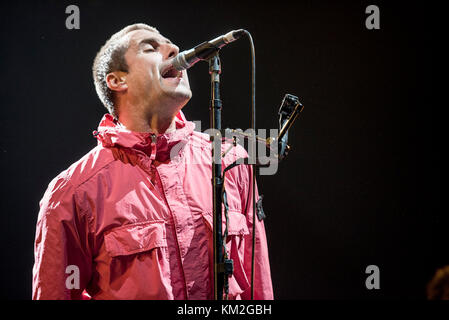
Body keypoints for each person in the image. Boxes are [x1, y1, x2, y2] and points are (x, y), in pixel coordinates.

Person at [32, 23, 273, 300]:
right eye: (150, 48)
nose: (174, 49)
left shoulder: (232, 162)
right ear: (117, 81)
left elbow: (259, 288)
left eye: (171, 44)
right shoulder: (72, 192)